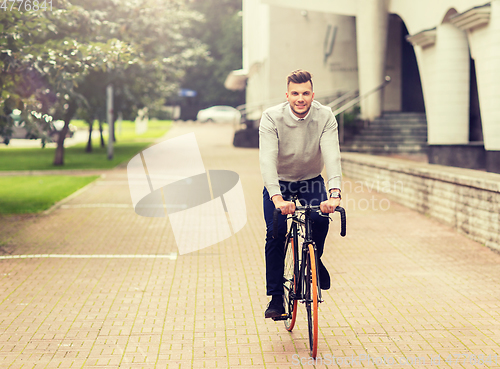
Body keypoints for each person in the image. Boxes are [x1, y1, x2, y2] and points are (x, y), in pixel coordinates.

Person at [259, 69, 342, 319]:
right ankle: (276, 298)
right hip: (279, 183)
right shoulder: (271, 117)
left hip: (310, 181)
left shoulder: (325, 116)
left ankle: (314, 262)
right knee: (275, 233)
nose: (300, 98)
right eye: (295, 93)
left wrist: (335, 193)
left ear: (312, 94)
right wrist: (277, 198)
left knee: (319, 219)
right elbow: (267, 159)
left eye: (305, 93)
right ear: (287, 95)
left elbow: (332, 155)